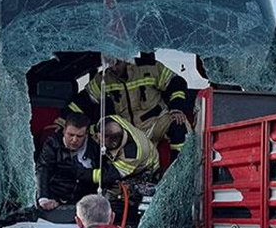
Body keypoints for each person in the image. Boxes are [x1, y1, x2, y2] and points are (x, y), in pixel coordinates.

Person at [60, 54, 194, 155]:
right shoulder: (102, 80)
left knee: (179, 125)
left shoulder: (150, 68)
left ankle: (179, 173)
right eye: (109, 63)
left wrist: (176, 108)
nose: (113, 67)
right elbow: (82, 102)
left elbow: (177, 82)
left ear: (126, 56)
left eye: (117, 63)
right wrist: (61, 122)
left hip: (156, 122)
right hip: (128, 132)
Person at [36, 112, 99, 211]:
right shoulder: (52, 143)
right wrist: (43, 198)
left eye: (79, 136)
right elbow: (43, 169)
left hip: (83, 204)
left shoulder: (94, 148)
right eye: (71, 135)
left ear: (86, 134)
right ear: (64, 131)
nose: (74, 140)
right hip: (53, 199)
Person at [92, 114, 160, 191]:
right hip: (144, 145)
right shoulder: (108, 120)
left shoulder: (131, 155)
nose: (97, 140)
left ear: (114, 144)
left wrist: (85, 174)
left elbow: (110, 174)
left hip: (147, 167)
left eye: (101, 142)